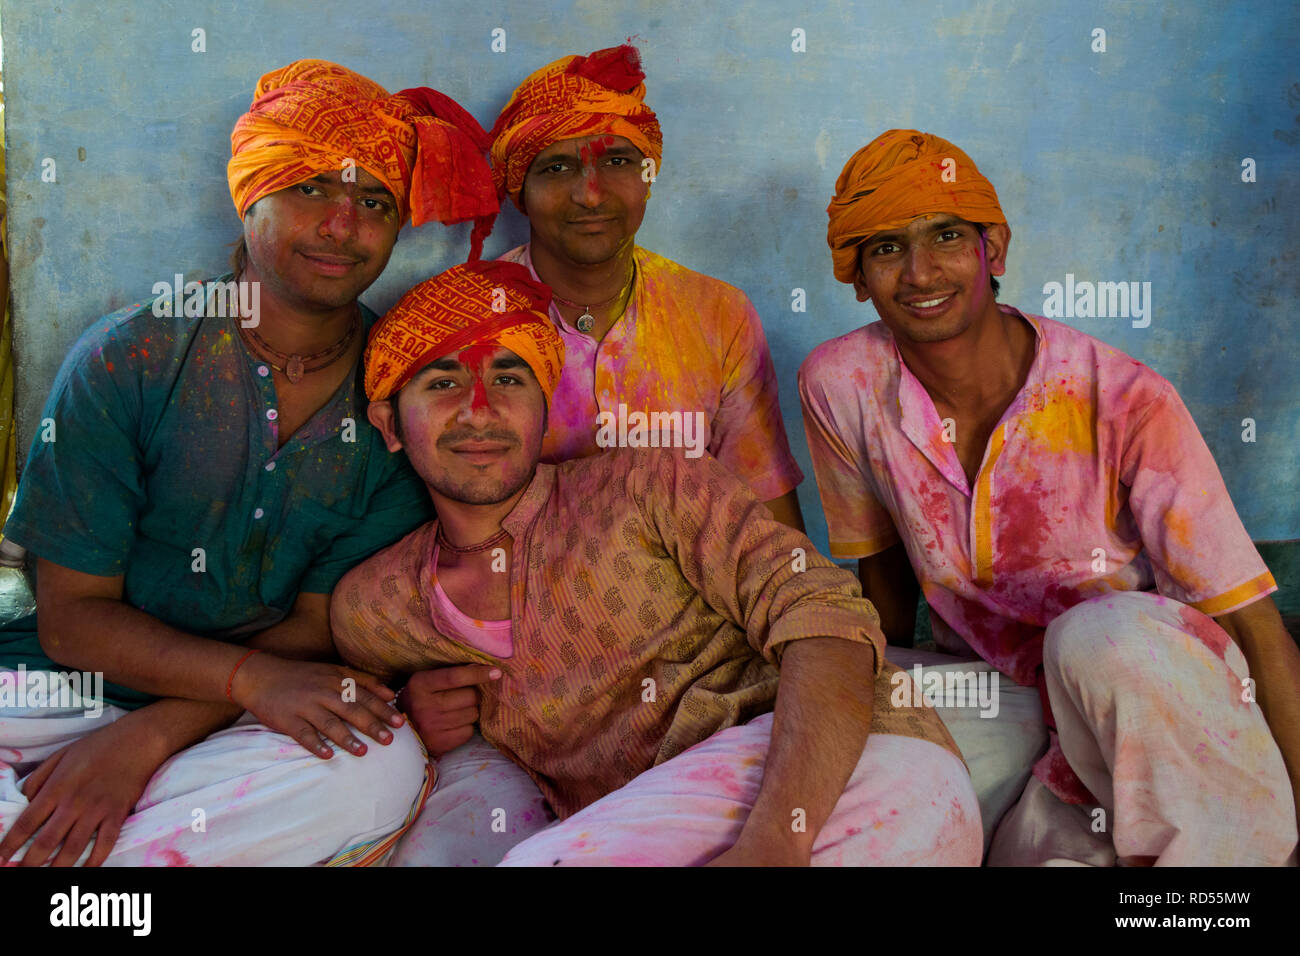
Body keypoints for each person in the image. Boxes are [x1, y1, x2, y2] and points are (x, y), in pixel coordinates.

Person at [0, 60, 499, 866]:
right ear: (250, 194)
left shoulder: (398, 401)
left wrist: (152, 736)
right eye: (312, 189)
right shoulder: (129, 360)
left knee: (379, 767)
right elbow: (72, 616)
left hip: (242, 715)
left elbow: (316, 627)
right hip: (57, 697)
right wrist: (139, 724)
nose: (343, 224)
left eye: (374, 201)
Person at [332, 259, 981, 867]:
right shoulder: (379, 604)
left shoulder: (652, 486)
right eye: (444, 382)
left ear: (543, 403)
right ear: (389, 423)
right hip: (655, 820)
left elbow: (827, 619)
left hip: (845, 764)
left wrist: (778, 838)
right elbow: (352, 700)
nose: (480, 409)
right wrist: (409, 708)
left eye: (508, 377)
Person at [799, 128, 1299, 865]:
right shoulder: (839, 384)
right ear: (857, 277)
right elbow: (882, 572)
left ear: (991, 250)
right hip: (1005, 695)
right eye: (885, 248)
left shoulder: (1124, 398)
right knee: (823, 713)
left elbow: (1254, 627)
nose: (920, 271)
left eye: (945, 235)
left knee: (1094, 636)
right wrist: (881, 697)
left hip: (1152, 695)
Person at [489, 44, 805, 530]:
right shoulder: (469, 318)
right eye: (557, 168)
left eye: (616, 162)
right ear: (519, 191)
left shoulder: (717, 315)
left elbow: (772, 533)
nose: (590, 194)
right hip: (518, 597)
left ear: (648, 177)